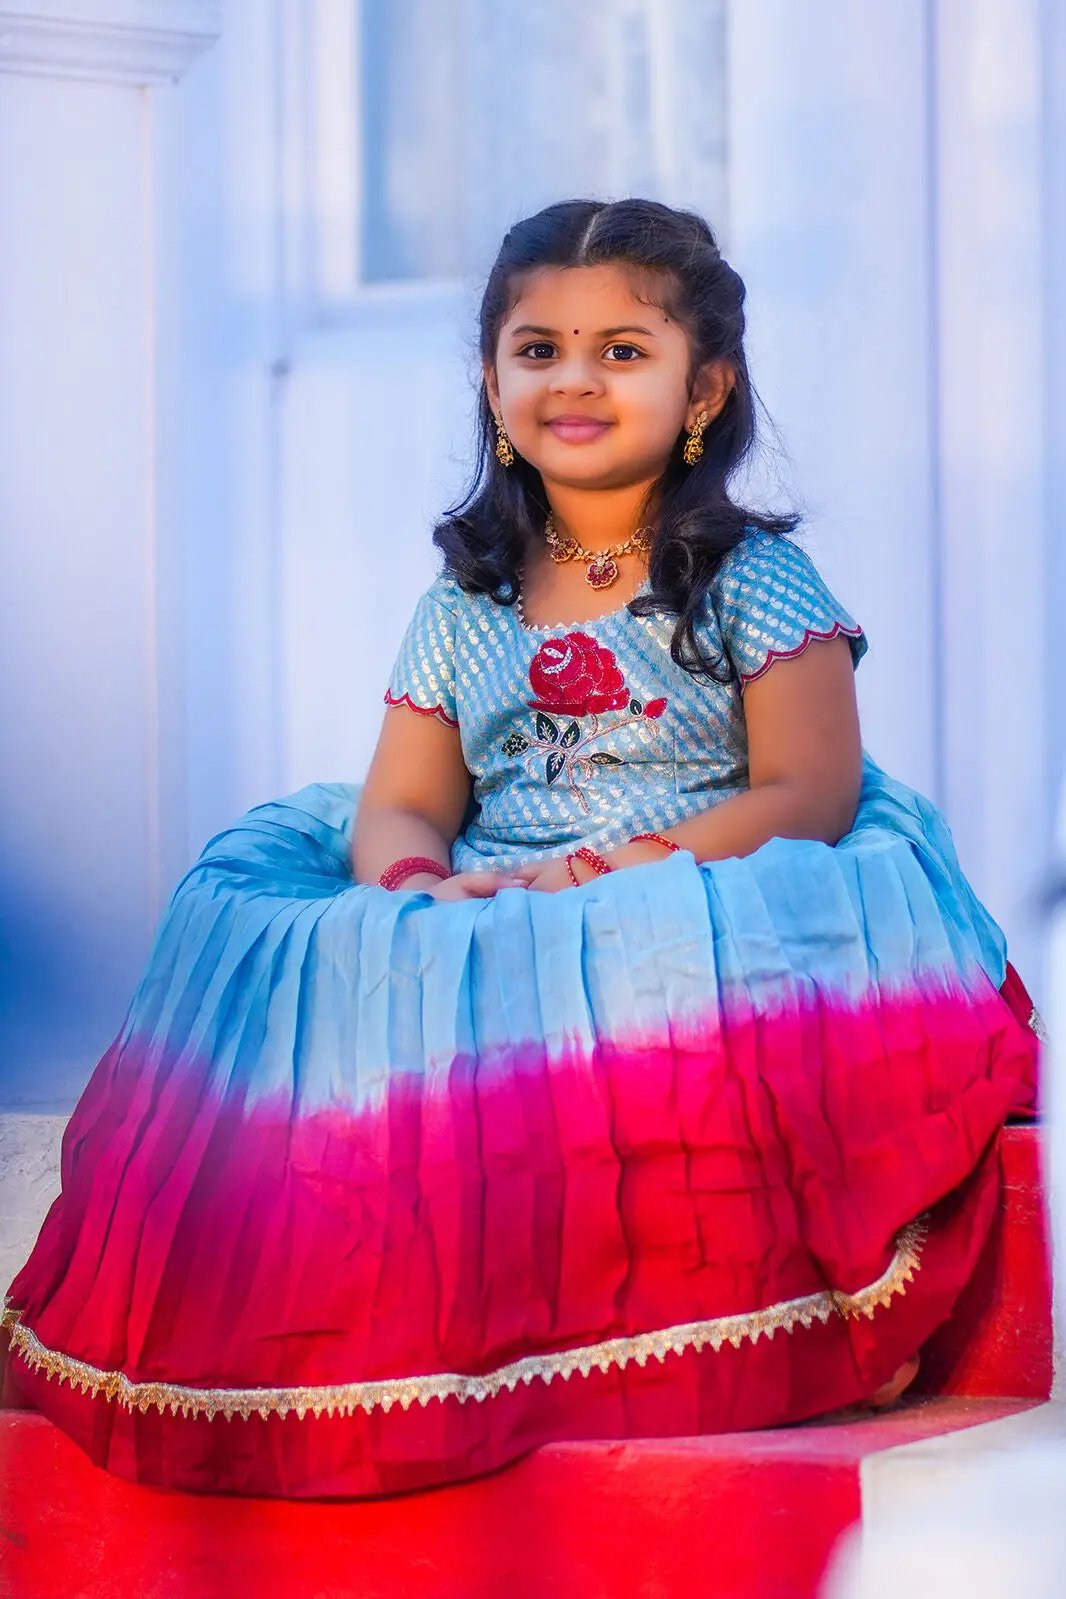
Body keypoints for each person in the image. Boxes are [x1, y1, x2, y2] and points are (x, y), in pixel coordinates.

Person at [2, 198, 1041, 1500]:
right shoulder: (466, 599)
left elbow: (808, 790)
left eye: (622, 350)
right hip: (501, 894)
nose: (575, 380)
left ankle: (720, 1325)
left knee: (628, 957)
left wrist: (613, 875)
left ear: (703, 387)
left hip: (703, 890)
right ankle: (407, 1330)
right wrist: (417, 889)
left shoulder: (749, 578)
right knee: (324, 952)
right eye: (537, 349)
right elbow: (403, 799)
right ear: (491, 385)